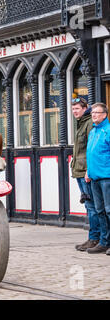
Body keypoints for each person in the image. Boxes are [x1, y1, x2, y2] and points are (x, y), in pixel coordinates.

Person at [70, 97, 100, 251]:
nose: (74, 111)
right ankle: (94, 237)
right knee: (89, 206)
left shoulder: (88, 124)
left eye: (77, 108)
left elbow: (92, 149)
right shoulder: (81, 123)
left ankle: (95, 238)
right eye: (73, 108)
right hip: (79, 170)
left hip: (85, 172)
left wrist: (89, 169)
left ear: (85, 108)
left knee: (92, 206)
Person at [85, 103, 110, 254]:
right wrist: (88, 171)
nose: (93, 115)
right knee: (100, 210)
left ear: (104, 115)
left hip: (107, 177)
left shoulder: (108, 131)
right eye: (92, 113)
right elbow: (91, 153)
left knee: (109, 211)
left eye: (97, 113)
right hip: (94, 177)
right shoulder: (93, 132)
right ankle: (104, 242)